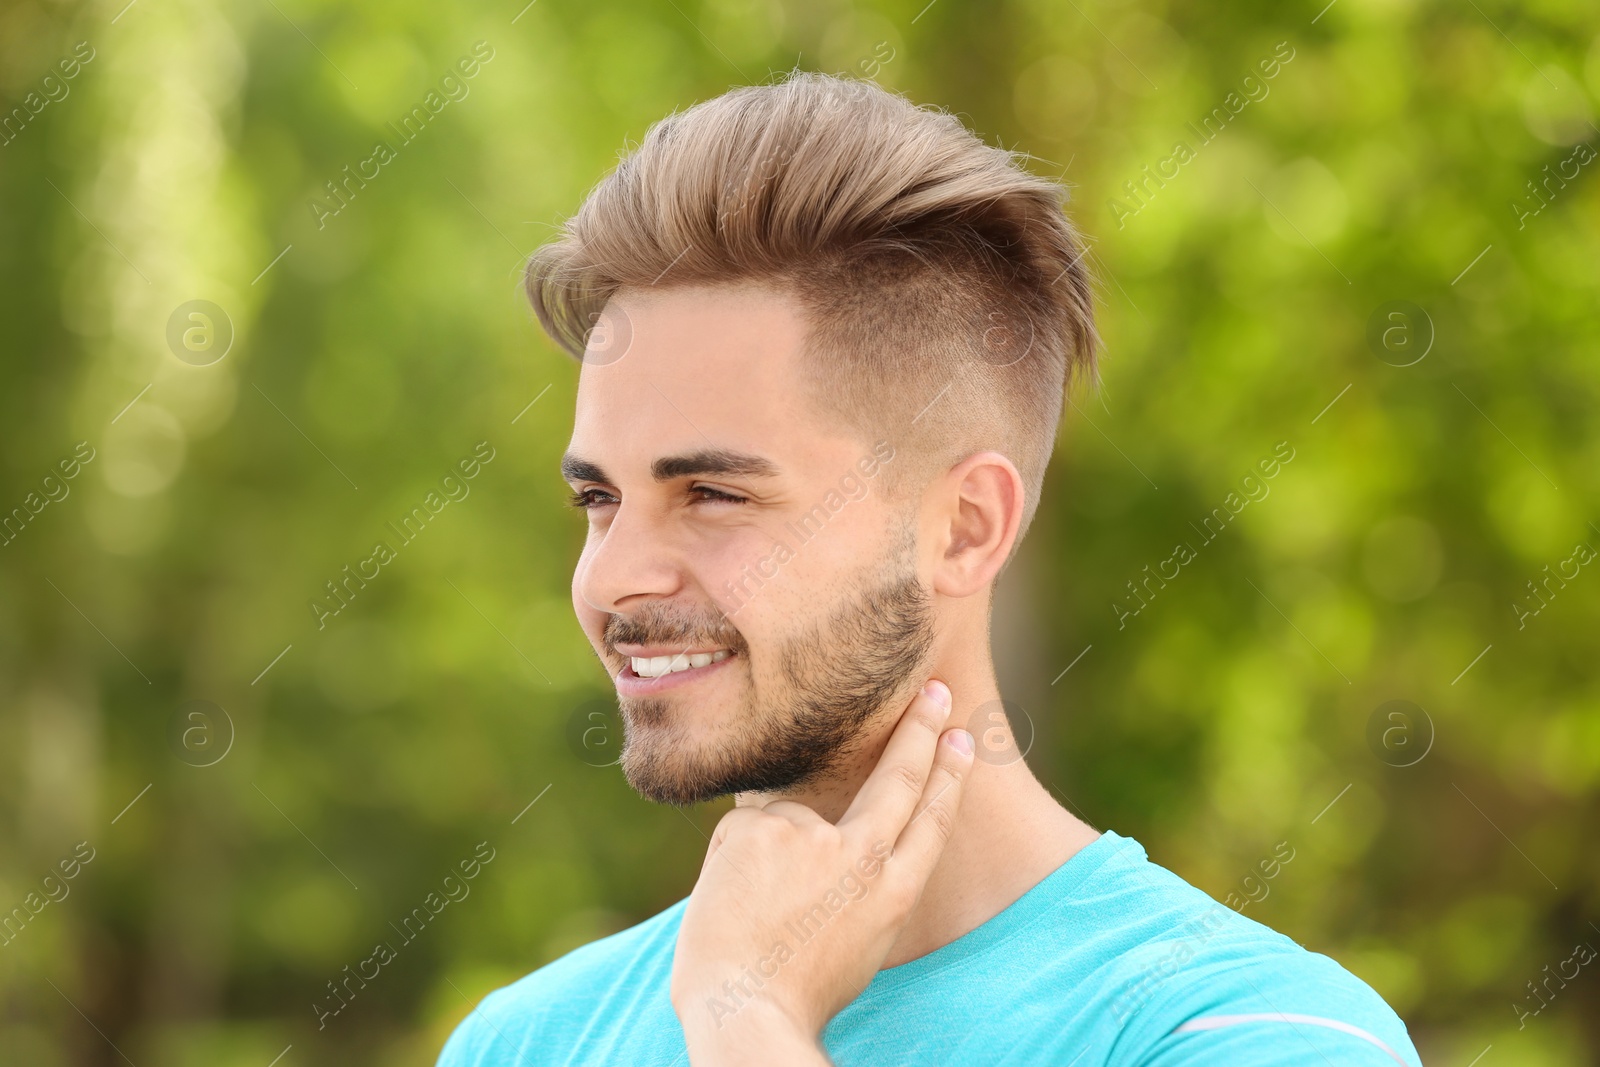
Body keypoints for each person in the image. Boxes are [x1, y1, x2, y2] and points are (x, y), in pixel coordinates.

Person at [437, 71, 1422, 1066]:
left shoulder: (1247, 1031)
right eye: (599, 500)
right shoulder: (523, 1043)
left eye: (713, 495)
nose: (613, 580)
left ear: (962, 528)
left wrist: (749, 1023)